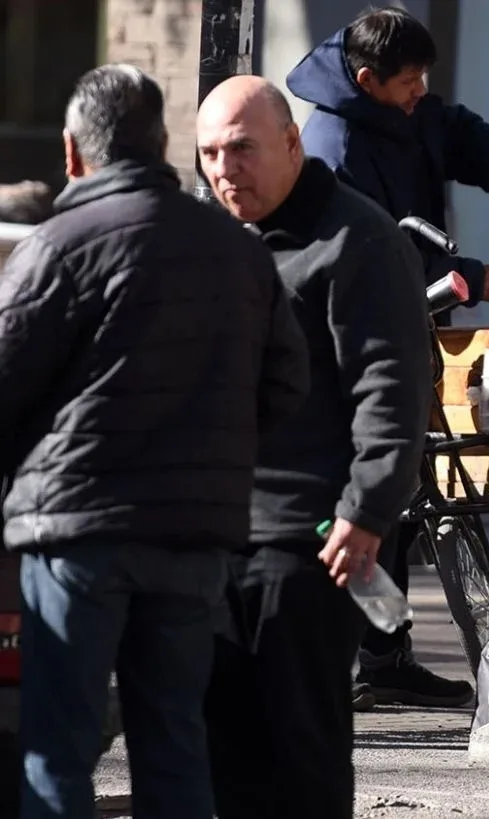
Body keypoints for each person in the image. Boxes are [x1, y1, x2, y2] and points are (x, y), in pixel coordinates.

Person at [1, 65, 308, 819]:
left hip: (79, 533)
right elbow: (285, 383)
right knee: (173, 744)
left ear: (74, 154)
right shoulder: (239, 251)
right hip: (194, 534)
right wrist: (213, 457)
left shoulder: (61, 243)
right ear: (165, 144)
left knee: (58, 750)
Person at [195, 75, 431, 819]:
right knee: (217, 750)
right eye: (209, 154)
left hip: (311, 542)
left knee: (301, 752)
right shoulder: (211, 236)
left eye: (241, 149)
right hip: (209, 537)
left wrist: (366, 510)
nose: (225, 169)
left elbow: (390, 389)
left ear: (293, 143)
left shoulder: (357, 237)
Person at [287, 5, 489, 708]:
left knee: (398, 496)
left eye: (425, 75)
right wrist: (472, 277)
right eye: (407, 81)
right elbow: (375, 260)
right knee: (358, 495)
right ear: (366, 80)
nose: (419, 90)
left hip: (409, 327)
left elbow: (459, 132)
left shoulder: (411, 106)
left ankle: (383, 653)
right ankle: (338, 654)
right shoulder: (333, 148)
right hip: (353, 344)